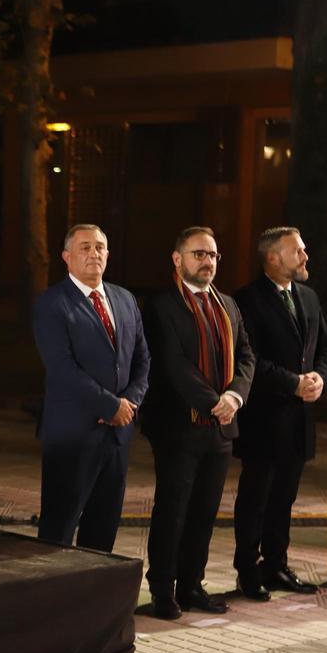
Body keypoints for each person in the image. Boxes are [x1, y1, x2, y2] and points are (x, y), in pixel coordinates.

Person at [140, 226, 255, 619]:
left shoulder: (228, 305)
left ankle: (192, 585)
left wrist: (234, 397)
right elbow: (173, 365)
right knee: (172, 511)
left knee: (205, 511)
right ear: (178, 259)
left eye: (212, 255)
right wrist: (214, 403)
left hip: (220, 428)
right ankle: (162, 590)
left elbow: (246, 357)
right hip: (178, 426)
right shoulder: (161, 306)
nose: (207, 262)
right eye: (198, 254)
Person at [33, 224, 150, 552]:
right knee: (58, 529)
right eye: (85, 247)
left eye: (100, 247)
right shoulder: (52, 304)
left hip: (116, 436)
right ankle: (53, 600)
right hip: (71, 436)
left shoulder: (125, 299)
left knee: (103, 530)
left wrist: (129, 403)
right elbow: (62, 368)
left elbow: (142, 359)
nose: (94, 253)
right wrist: (108, 406)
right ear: (66, 257)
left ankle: (92, 601)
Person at [232, 227, 327, 600]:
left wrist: (320, 378)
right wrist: (292, 383)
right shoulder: (247, 299)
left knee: (284, 498)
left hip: (299, 421)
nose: (306, 257)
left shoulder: (308, 296)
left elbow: (325, 348)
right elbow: (249, 359)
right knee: (255, 498)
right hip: (264, 418)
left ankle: (276, 565)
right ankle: (247, 569)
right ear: (272, 258)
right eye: (298, 251)